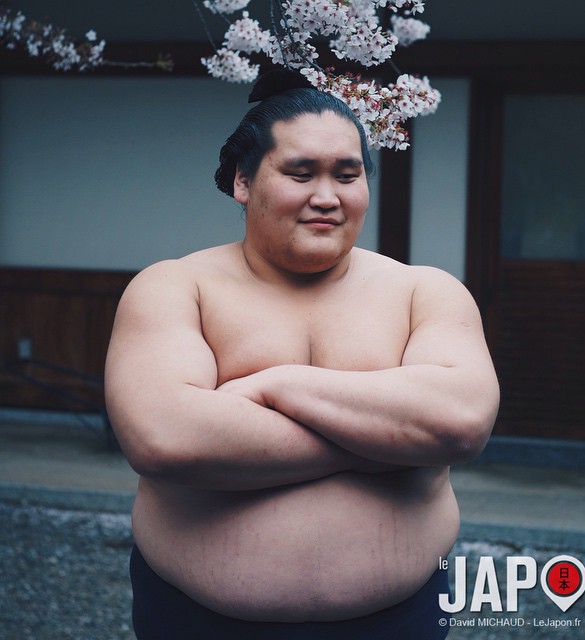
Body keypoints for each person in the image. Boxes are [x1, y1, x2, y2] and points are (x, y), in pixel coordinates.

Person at [104, 71, 500, 640]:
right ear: (243, 180)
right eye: (300, 172)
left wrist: (272, 387)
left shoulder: (425, 290)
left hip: (400, 618)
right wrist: (390, 440)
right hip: (197, 619)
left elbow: (460, 423)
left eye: (347, 174)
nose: (326, 196)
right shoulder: (173, 287)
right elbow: (164, 437)